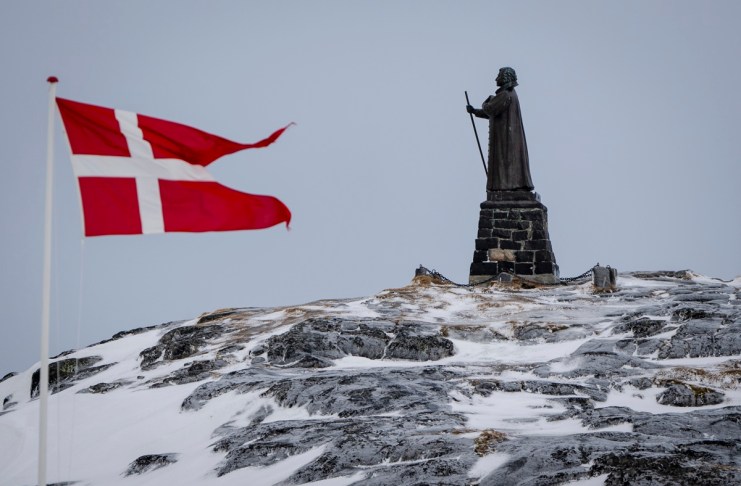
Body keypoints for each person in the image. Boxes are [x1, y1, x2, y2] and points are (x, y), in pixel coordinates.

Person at [467, 67, 534, 192]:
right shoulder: (510, 93)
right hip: (507, 136)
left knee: (506, 161)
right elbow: (493, 112)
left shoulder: (505, 94)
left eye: (498, 76)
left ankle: (508, 186)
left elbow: (490, 109)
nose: (496, 79)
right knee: (507, 162)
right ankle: (509, 185)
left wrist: (486, 102)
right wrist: (475, 111)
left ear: (505, 77)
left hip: (505, 137)